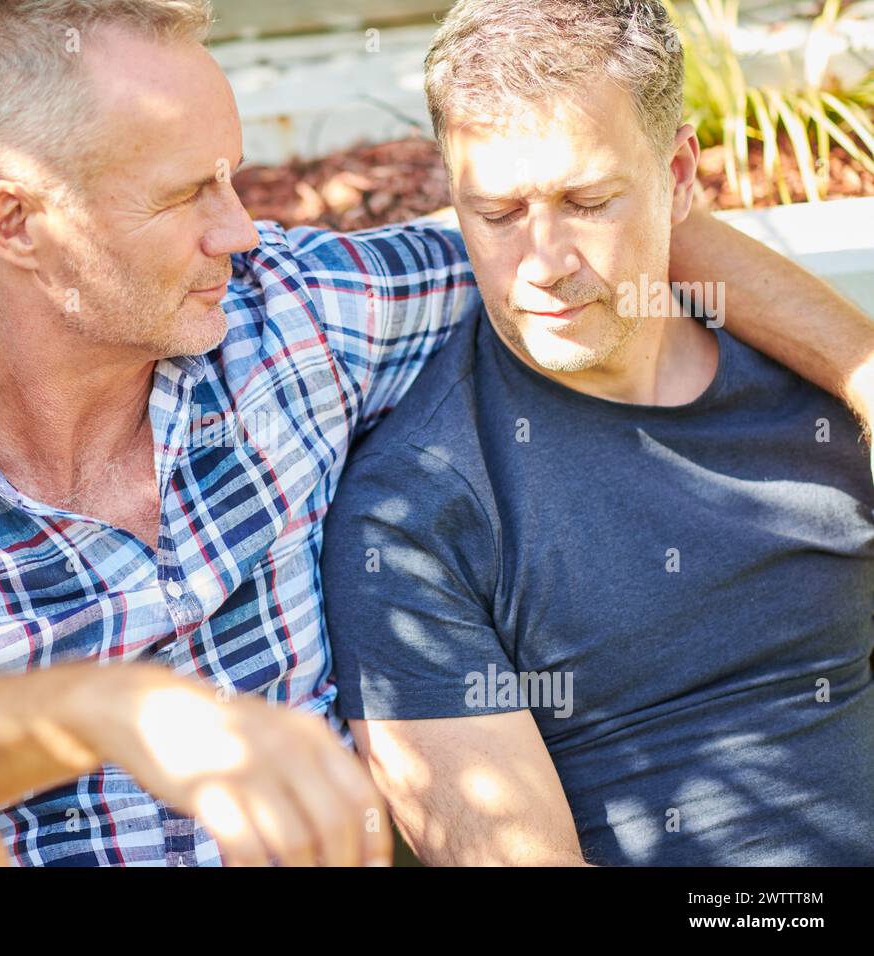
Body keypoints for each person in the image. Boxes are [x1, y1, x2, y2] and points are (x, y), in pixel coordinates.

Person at [0, 0, 874, 866]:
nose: (244, 229)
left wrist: (860, 370)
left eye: (237, 178)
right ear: (20, 221)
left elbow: (589, 222)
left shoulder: (288, 321)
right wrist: (112, 707)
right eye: (187, 195)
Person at [320, 0, 874, 866]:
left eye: (587, 201)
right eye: (497, 213)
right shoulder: (415, 514)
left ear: (681, 174)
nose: (542, 263)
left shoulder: (818, 389)